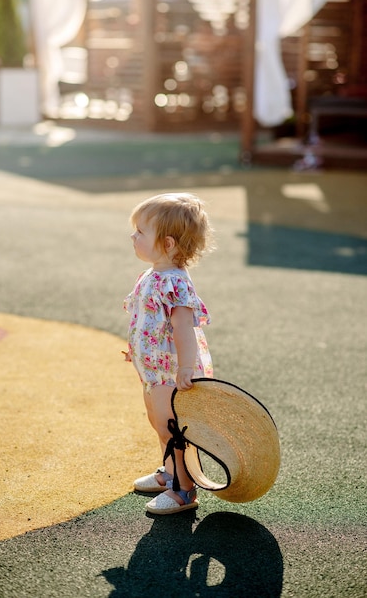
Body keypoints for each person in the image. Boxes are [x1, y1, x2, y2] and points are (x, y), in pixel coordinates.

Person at [123, 193, 214, 514]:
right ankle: (169, 472)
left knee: (172, 428)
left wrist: (186, 367)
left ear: (169, 243)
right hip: (153, 369)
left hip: (171, 371)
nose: (133, 236)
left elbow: (184, 328)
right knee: (158, 422)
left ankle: (183, 490)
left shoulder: (175, 283)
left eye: (140, 232)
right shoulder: (153, 275)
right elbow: (149, 321)